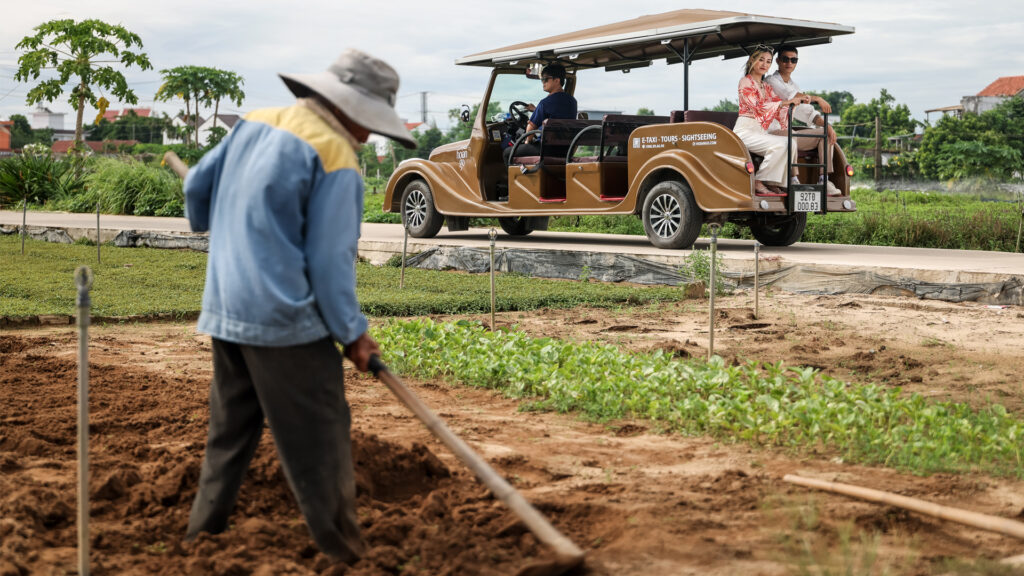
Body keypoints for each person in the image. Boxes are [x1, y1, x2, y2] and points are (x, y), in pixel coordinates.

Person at [182, 49, 416, 564]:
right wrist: (352, 332)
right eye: (371, 123)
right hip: (286, 325)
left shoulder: (255, 122)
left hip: (227, 310)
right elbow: (331, 265)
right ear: (349, 109)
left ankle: (200, 539)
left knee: (228, 438)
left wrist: (216, 220)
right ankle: (349, 557)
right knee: (321, 443)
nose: (369, 136)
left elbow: (196, 187)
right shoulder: (335, 156)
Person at [765, 45, 841, 195]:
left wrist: (828, 126)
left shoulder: (794, 85)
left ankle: (824, 180)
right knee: (790, 135)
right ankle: (793, 180)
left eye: (793, 60)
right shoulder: (771, 81)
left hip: (788, 134)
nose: (789, 63)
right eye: (785, 59)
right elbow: (790, 97)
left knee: (823, 134)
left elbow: (808, 113)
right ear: (778, 60)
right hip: (770, 133)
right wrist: (817, 98)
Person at [734, 45, 808, 196]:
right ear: (752, 61)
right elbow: (757, 106)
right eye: (761, 60)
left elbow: (779, 106)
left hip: (760, 131)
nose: (764, 65)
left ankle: (774, 183)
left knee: (791, 143)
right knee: (779, 145)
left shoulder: (766, 86)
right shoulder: (745, 82)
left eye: (768, 62)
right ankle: (759, 181)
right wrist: (784, 103)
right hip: (745, 131)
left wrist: (795, 102)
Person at [504, 63, 578, 162]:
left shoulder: (545, 103)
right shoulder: (572, 102)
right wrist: (535, 110)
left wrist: (527, 142)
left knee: (507, 153)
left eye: (546, 79)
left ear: (557, 80)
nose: (543, 82)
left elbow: (530, 128)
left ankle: (514, 177)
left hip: (545, 149)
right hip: (565, 150)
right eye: (542, 79)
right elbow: (558, 114)